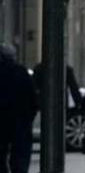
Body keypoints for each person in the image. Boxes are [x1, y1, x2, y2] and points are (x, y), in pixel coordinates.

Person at [0, 44, 37, 173]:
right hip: (20, 121)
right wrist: (28, 118)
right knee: (20, 157)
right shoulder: (22, 73)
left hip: (2, 120)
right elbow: (33, 99)